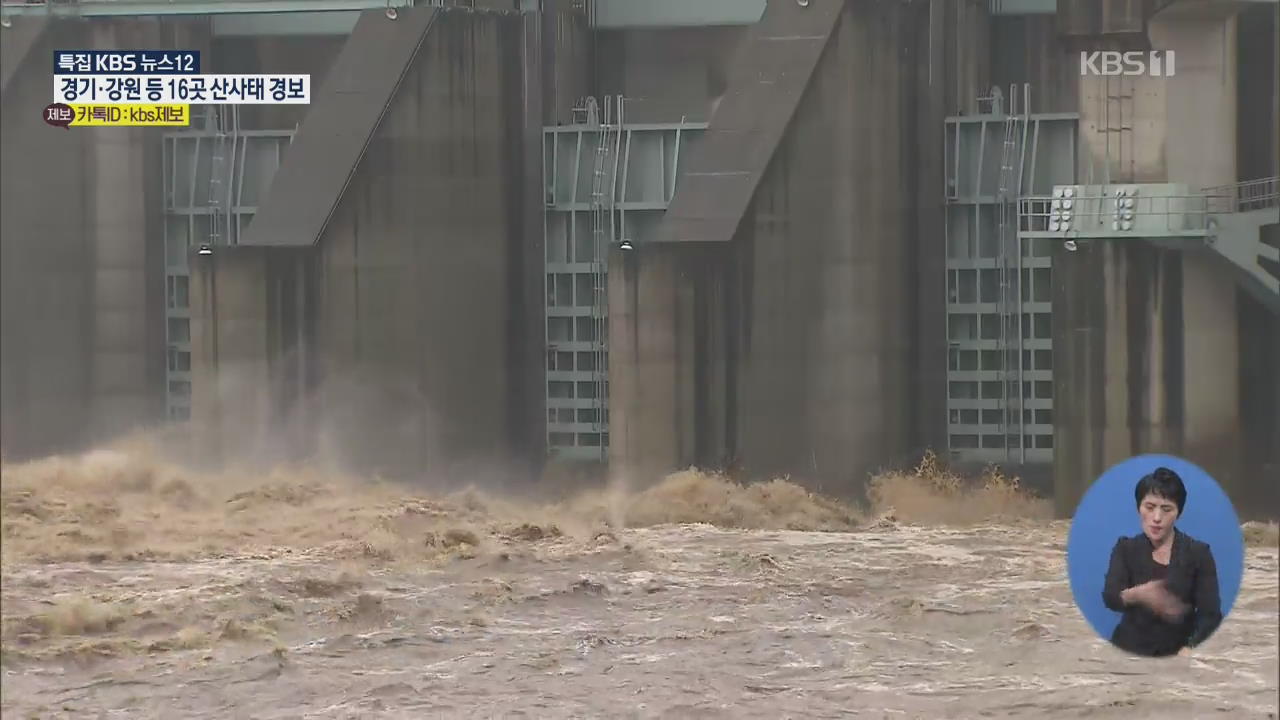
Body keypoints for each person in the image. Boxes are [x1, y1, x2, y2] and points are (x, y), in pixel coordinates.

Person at [1101, 466, 1223, 657]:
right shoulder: (1125, 548)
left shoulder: (1199, 553)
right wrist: (1140, 594)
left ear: (1178, 513)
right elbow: (1110, 597)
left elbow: (1211, 615)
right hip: (1127, 651)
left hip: (1177, 654)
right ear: (1139, 508)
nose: (1157, 518)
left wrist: (1191, 647)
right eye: (1149, 507)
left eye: (1166, 509)